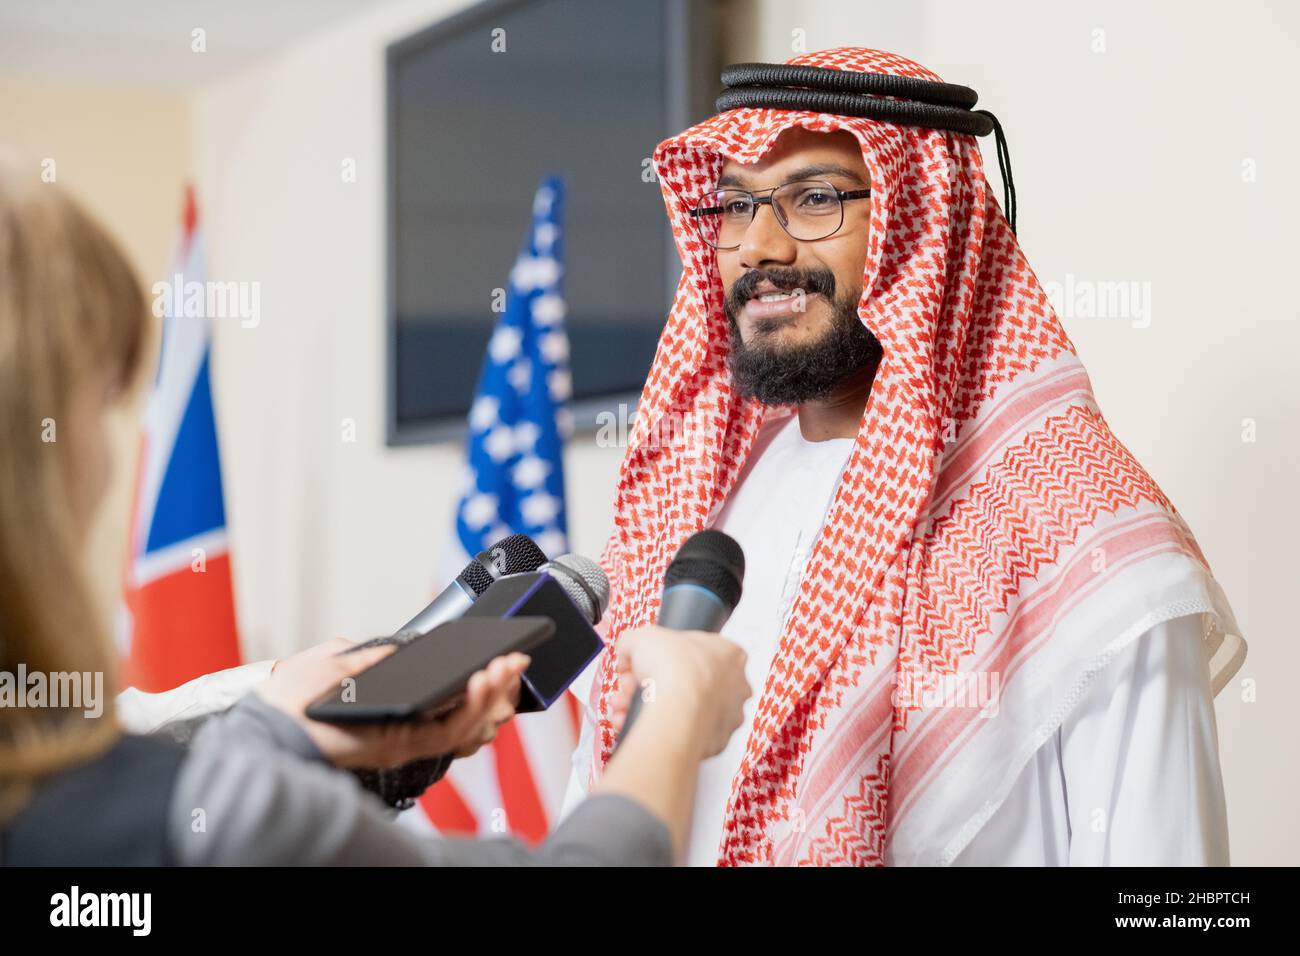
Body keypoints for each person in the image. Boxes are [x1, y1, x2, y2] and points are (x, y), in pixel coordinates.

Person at [563, 47, 1247, 866]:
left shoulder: (1091, 544)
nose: (759, 247)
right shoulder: (694, 513)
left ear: (922, 222)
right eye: (737, 206)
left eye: (814, 198)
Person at [0, 159, 751, 865]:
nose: (108, 454)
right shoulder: (184, 818)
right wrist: (673, 714)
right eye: (100, 402)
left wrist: (276, 730)